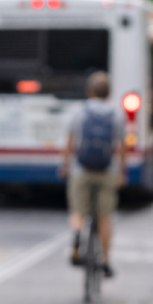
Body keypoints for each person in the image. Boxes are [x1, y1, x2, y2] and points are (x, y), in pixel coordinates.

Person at [62, 70, 125, 277]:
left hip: (81, 170)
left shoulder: (78, 112)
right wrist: (121, 172)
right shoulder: (115, 115)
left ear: (90, 91)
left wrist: (65, 165)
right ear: (109, 93)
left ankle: (78, 239)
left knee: (78, 211)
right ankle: (106, 261)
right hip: (106, 170)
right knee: (105, 216)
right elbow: (122, 147)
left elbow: (70, 143)